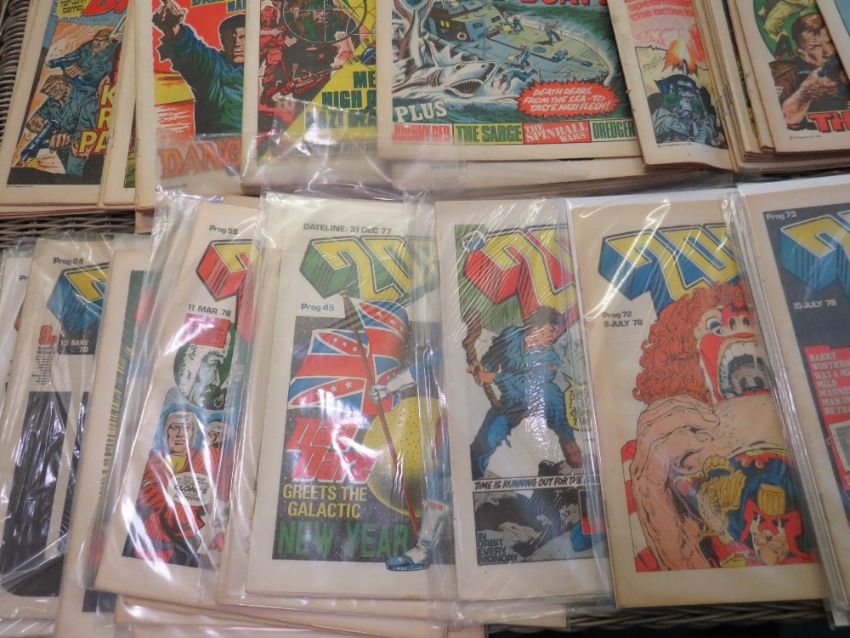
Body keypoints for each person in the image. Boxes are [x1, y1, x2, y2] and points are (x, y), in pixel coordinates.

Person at [468, 306, 583, 480]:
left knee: (550, 392)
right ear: (537, 327)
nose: (554, 336)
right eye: (551, 330)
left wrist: (494, 377)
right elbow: (492, 357)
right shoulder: (510, 336)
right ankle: (473, 472)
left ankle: (568, 441)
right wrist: (480, 368)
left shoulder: (551, 357)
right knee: (488, 438)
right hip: (510, 402)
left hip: (538, 399)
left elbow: (531, 385)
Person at [131, 407, 225, 566]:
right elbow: (136, 499)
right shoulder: (150, 460)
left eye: (187, 428)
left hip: (186, 550)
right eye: (174, 427)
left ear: (193, 433)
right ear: (166, 431)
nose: (180, 434)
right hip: (144, 547)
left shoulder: (204, 462)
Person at [153, 0, 244, 135]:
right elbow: (195, 54)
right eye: (231, 38)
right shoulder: (215, 67)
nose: (237, 44)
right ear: (223, 41)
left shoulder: (268, 64)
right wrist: (175, 30)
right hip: (218, 145)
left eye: (243, 37)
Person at [770, 13, 850, 130]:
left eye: (829, 42)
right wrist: (807, 89)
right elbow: (782, 121)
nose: (828, 52)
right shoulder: (782, 72)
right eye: (816, 46)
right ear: (802, 53)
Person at [22, 75, 98, 176]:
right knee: (70, 175)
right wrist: (36, 124)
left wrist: (66, 138)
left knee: (74, 172)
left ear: (65, 83)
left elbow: (86, 130)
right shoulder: (52, 101)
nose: (52, 93)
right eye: (48, 92)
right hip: (63, 149)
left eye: (54, 88)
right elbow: (33, 121)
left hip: (82, 145)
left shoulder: (85, 95)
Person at [51, 28, 118, 90]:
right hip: (71, 79)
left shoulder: (108, 57)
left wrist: (82, 73)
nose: (96, 44)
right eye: (96, 40)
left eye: (101, 41)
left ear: (107, 43)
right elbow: (73, 55)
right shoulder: (88, 46)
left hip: (86, 88)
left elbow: (94, 76)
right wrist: (58, 63)